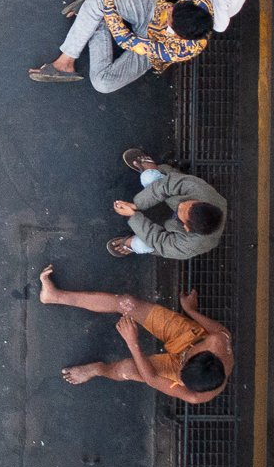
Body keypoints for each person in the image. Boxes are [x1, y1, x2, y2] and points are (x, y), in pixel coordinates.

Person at [37, 264, 232, 404]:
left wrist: (133, 343)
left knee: (128, 370)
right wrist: (190, 311)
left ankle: (98, 369)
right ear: (204, 353)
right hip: (187, 336)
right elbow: (220, 329)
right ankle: (54, 296)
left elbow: (152, 379)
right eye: (186, 363)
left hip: (171, 364)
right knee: (127, 303)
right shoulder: (217, 341)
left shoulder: (194, 395)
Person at [29, 0, 213, 91]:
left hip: (150, 50)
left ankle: (96, 16)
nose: (170, 9)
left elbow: (127, 41)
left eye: (171, 16)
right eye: (175, 7)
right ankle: (66, 61)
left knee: (103, 84)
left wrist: (109, 3)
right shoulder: (200, 3)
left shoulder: (178, 50)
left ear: (178, 34)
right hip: (150, 11)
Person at [107, 148, 227, 259]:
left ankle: (129, 244)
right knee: (149, 177)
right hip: (173, 187)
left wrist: (133, 216)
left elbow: (158, 241)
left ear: (186, 227)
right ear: (202, 202)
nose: (181, 205)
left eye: (181, 211)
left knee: (141, 245)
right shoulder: (202, 192)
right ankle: (153, 168)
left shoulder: (189, 246)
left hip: (169, 242)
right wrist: (136, 205)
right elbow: (167, 185)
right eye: (190, 203)